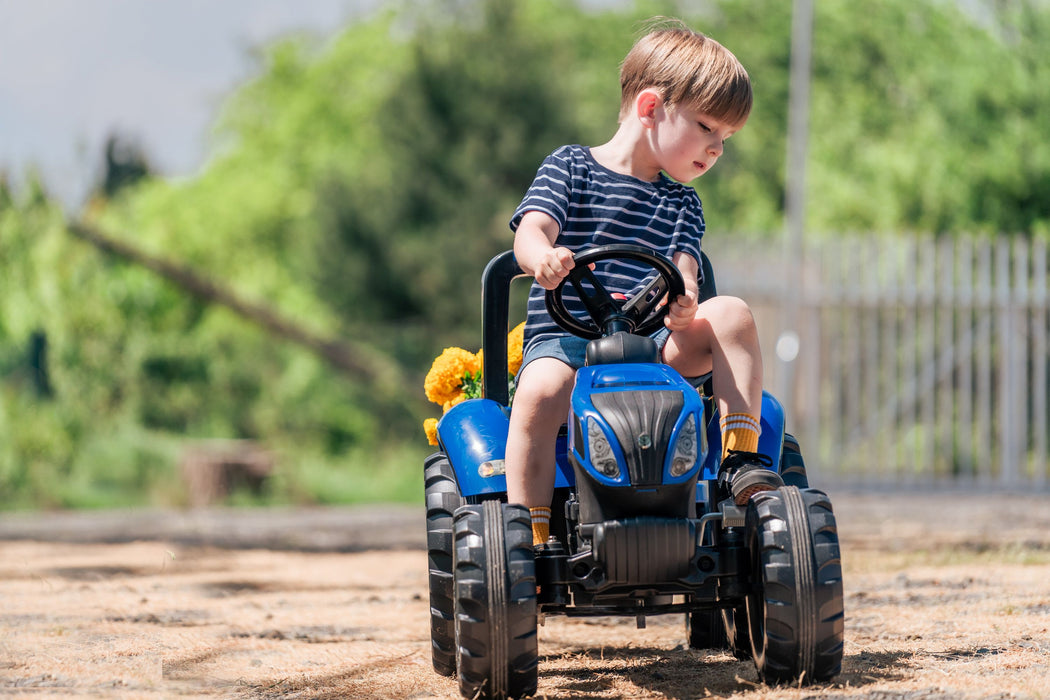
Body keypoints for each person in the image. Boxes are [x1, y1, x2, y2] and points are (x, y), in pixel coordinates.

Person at [505, 20, 783, 546]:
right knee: (540, 390)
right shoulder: (570, 167)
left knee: (733, 314)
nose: (717, 148)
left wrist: (685, 302)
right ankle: (527, 538)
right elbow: (534, 229)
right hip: (567, 345)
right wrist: (541, 257)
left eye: (725, 138)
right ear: (651, 108)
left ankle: (739, 462)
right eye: (707, 127)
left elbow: (684, 269)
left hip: (652, 349)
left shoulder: (681, 202)